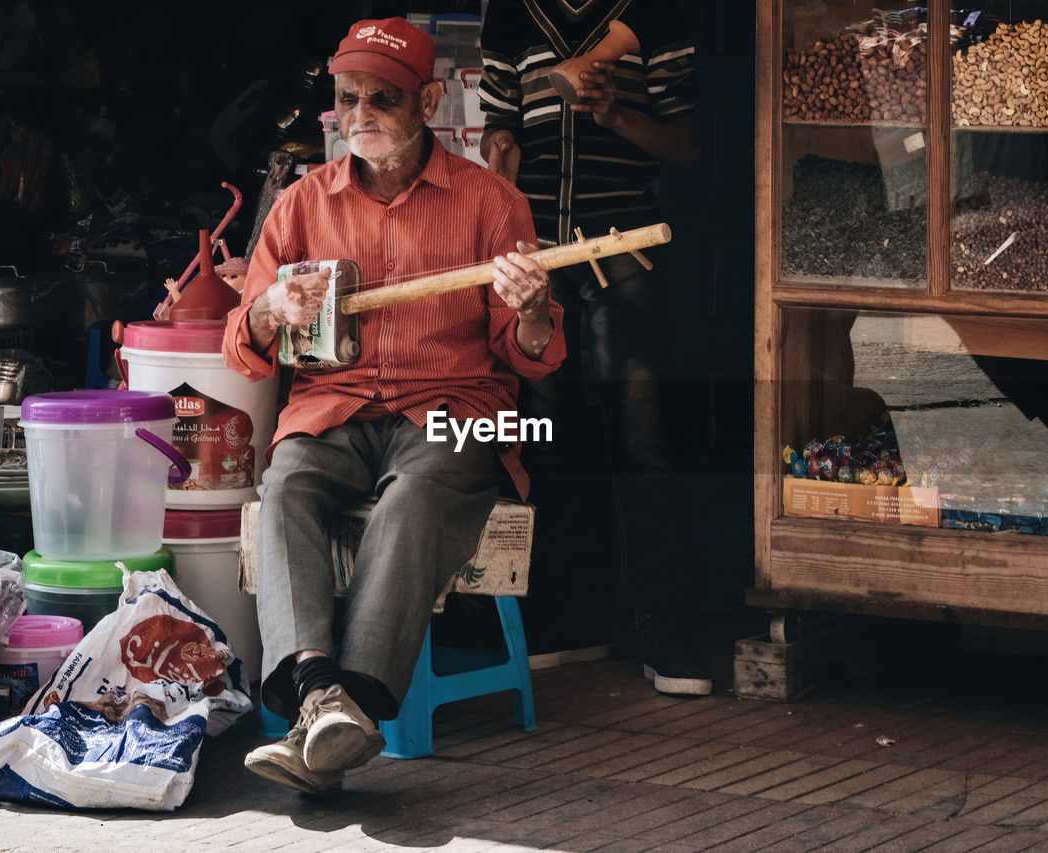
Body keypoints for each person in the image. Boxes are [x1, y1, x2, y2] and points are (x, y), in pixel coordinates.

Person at [223, 16, 566, 795]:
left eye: (384, 97)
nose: (361, 115)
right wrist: (273, 308)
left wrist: (535, 309)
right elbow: (240, 346)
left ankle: (342, 705)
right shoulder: (301, 204)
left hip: (451, 407)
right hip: (332, 410)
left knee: (414, 494)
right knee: (285, 484)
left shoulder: (490, 202)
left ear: (430, 99)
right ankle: (324, 698)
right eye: (347, 98)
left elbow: (532, 353)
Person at [478, 0, 711, 695]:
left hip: (626, 252)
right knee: (547, 441)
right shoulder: (509, 16)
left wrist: (617, 118)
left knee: (643, 441)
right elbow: (499, 126)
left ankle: (667, 633)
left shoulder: (654, 14)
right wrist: (498, 158)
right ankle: (570, 621)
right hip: (535, 260)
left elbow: (690, 147)